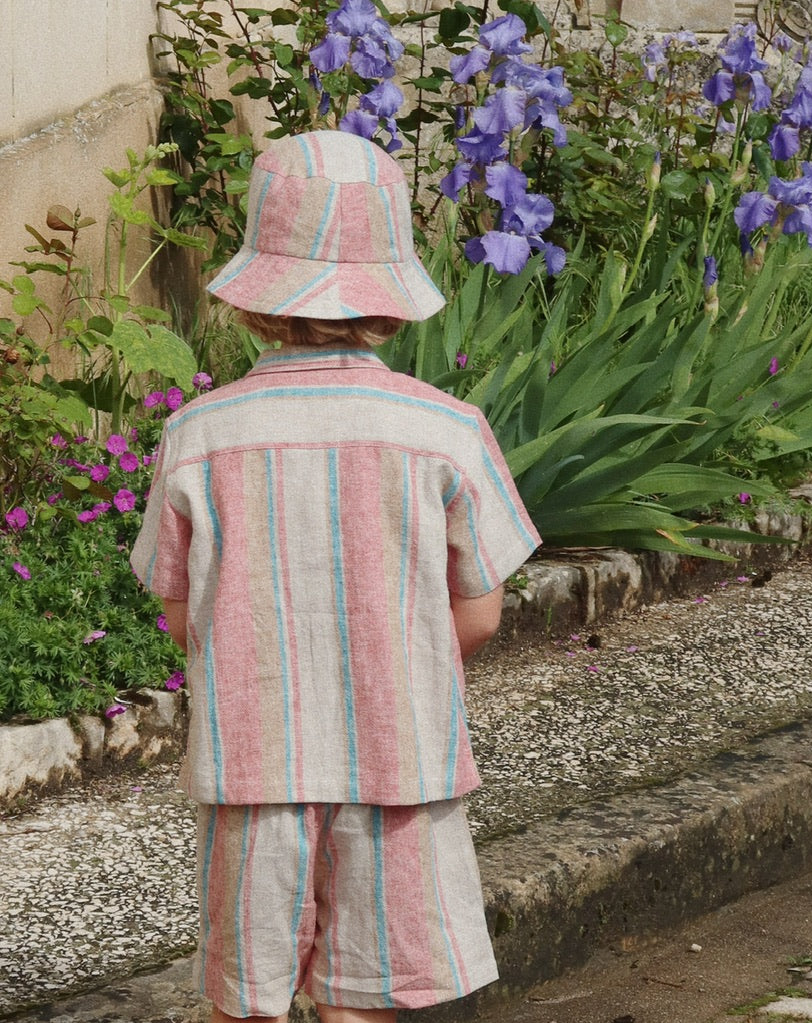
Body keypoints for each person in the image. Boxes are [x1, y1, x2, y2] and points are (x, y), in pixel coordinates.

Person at [130, 129, 541, 1023]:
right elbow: (477, 614)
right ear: (391, 302)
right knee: (375, 991)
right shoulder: (447, 431)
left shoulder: (199, 433)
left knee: (250, 995)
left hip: (253, 765)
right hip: (400, 760)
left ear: (253, 301)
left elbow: (179, 610)